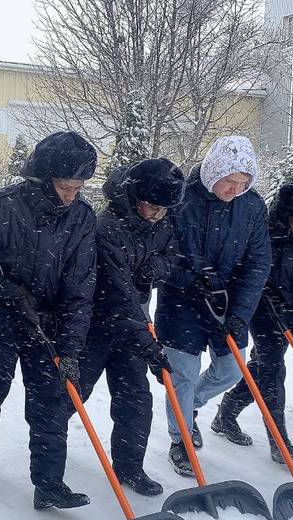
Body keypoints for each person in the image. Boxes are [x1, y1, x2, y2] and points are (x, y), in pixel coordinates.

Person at [0, 131, 98, 510]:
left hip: (49, 323)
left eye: (78, 187)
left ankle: (49, 483)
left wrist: (71, 347)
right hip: (0, 319)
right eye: (64, 186)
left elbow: (81, 284)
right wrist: (10, 292)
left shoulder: (82, 217)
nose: (71, 195)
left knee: (51, 401)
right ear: (42, 178)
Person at [154, 136, 272, 476]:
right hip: (182, 304)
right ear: (212, 173)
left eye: (243, 183)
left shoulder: (252, 207)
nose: (235, 189)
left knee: (232, 369)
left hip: (228, 303)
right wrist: (189, 279)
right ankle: (182, 441)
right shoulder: (180, 201)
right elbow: (161, 254)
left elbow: (258, 262)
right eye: (229, 181)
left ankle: (189, 408)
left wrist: (240, 314)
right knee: (183, 377)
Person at [77, 158, 184, 496]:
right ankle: (47, 465)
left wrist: (151, 270)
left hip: (132, 322)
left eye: (163, 210)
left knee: (136, 398)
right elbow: (118, 291)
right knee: (71, 396)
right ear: (134, 196)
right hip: (95, 322)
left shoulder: (164, 221)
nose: (156, 215)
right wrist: (150, 346)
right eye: (151, 207)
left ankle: (130, 467)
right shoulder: (106, 225)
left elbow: (173, 258)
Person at [214, 178, 293, 462]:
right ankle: (279, 440)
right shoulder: (265, 235)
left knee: (259, 368)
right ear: (286, 218)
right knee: (272, 370)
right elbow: (246, 273)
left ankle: (227, 412)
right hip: (262, 309)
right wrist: (265, 297)